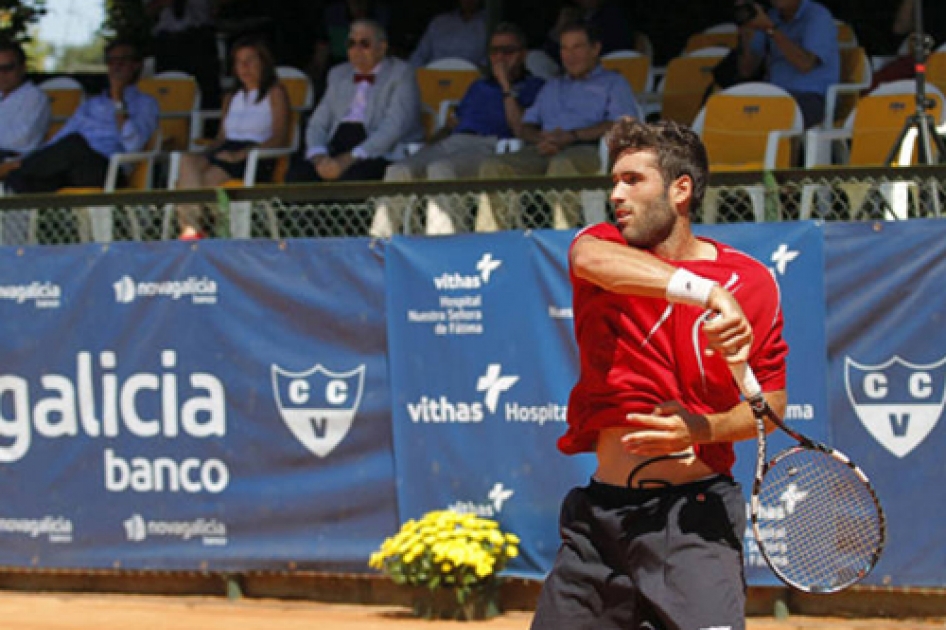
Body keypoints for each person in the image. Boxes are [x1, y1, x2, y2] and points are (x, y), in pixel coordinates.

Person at [530, 117, 788, 630]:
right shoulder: (605, 246)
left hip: (693, 521)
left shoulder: (753, 282)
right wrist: (709, 294)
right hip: (598, 524)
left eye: (632, 180)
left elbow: (771, 408)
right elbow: (589, 259)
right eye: (613, 181)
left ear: (681, 189)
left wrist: (703, 428)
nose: (616, 194)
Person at [370, 22, 545, 237]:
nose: (500, 57)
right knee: (398, 170)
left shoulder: (534, 85)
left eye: (507, 51)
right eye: (494, 51)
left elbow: (519, 128)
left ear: (523, 54)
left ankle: (445, 245)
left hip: (492, 146)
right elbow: (454, 122)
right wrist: (431, 143)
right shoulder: (478, 86)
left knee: (441, 169)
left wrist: (506, 87)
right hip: (453, 141)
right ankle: (379, 244)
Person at [476, 22, 641, 231]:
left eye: (577, 47)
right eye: (564, 48)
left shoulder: (613, 82)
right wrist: (542, 139)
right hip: (544, 148)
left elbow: (624, 122)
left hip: (587, 149)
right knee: (493, 166)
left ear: (595, 49)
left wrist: (572, 136)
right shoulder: (552, 86)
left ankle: (561, 238)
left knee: (561, 166)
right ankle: (494, 241)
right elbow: (525, 126)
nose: (569, 55)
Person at [4, 39, 159, 194]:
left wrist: (118, 99)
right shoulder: (91, 104)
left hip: (108, 169)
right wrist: (34, 158)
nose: (116, 66)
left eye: (123, 60)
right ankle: (17, 174)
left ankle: (16, 168)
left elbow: (134, 145)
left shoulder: (146, 103)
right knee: (21, 179)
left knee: (74, 144)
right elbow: (59, 139)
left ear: (137, 65)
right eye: (111, 61)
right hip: (72, 168)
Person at [174, 38, 290, 240]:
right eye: (239, 62)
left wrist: (240, 155)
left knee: (203, 181)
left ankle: (193, 231)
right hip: (226, 148)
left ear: (263, 63)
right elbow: (221, 137)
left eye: (250, 61)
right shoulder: (232, 97)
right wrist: (206, 154)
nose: (244, 67)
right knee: (187, 162)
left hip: (255, 153)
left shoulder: (275, 93)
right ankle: (193, 230)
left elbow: (279, 137)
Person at [287, 19, 423, 186]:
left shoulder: (402, 73)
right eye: (351, 43)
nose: (356, 49)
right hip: (337, 144)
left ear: (382, 48)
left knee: (353, 180)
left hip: (377, 149)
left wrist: (350, 158)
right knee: (297, 176)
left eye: (364, 43)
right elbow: (318, 123)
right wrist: (319, 157)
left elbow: (395, 126)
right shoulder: (338, 74)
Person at [736, 0, 841, 128]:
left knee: (775, 118)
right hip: (774, 94)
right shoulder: (769, 16)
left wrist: (771, 29)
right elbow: (746, 70)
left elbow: (805, 64)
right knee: (734, 114)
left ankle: (787, 148)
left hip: (813, 96)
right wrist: (747, 35)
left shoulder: (817, 16)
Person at [146, 0, 223, 109]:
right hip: (168, 41)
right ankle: (172, 121)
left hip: (200, 38)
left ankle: (207, 122)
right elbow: (149, 10)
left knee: (207, 88)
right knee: (169, 85)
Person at [0, 39, 50, 173]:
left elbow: (22, 140)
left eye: (8, 68)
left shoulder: (35, 98)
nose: (2, 74)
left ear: (22, 68)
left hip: (17, 161)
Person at [543, 0, 640, 64]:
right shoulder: (575, 16)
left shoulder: (613, 15)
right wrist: (560, 28)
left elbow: (614, 51)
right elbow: (550, 53)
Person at [408, 0, 487, 69]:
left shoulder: (489, 24)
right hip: (434, 80)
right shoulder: (439, 22)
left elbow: (489, 62)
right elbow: (418, 57)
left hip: (470, 81)